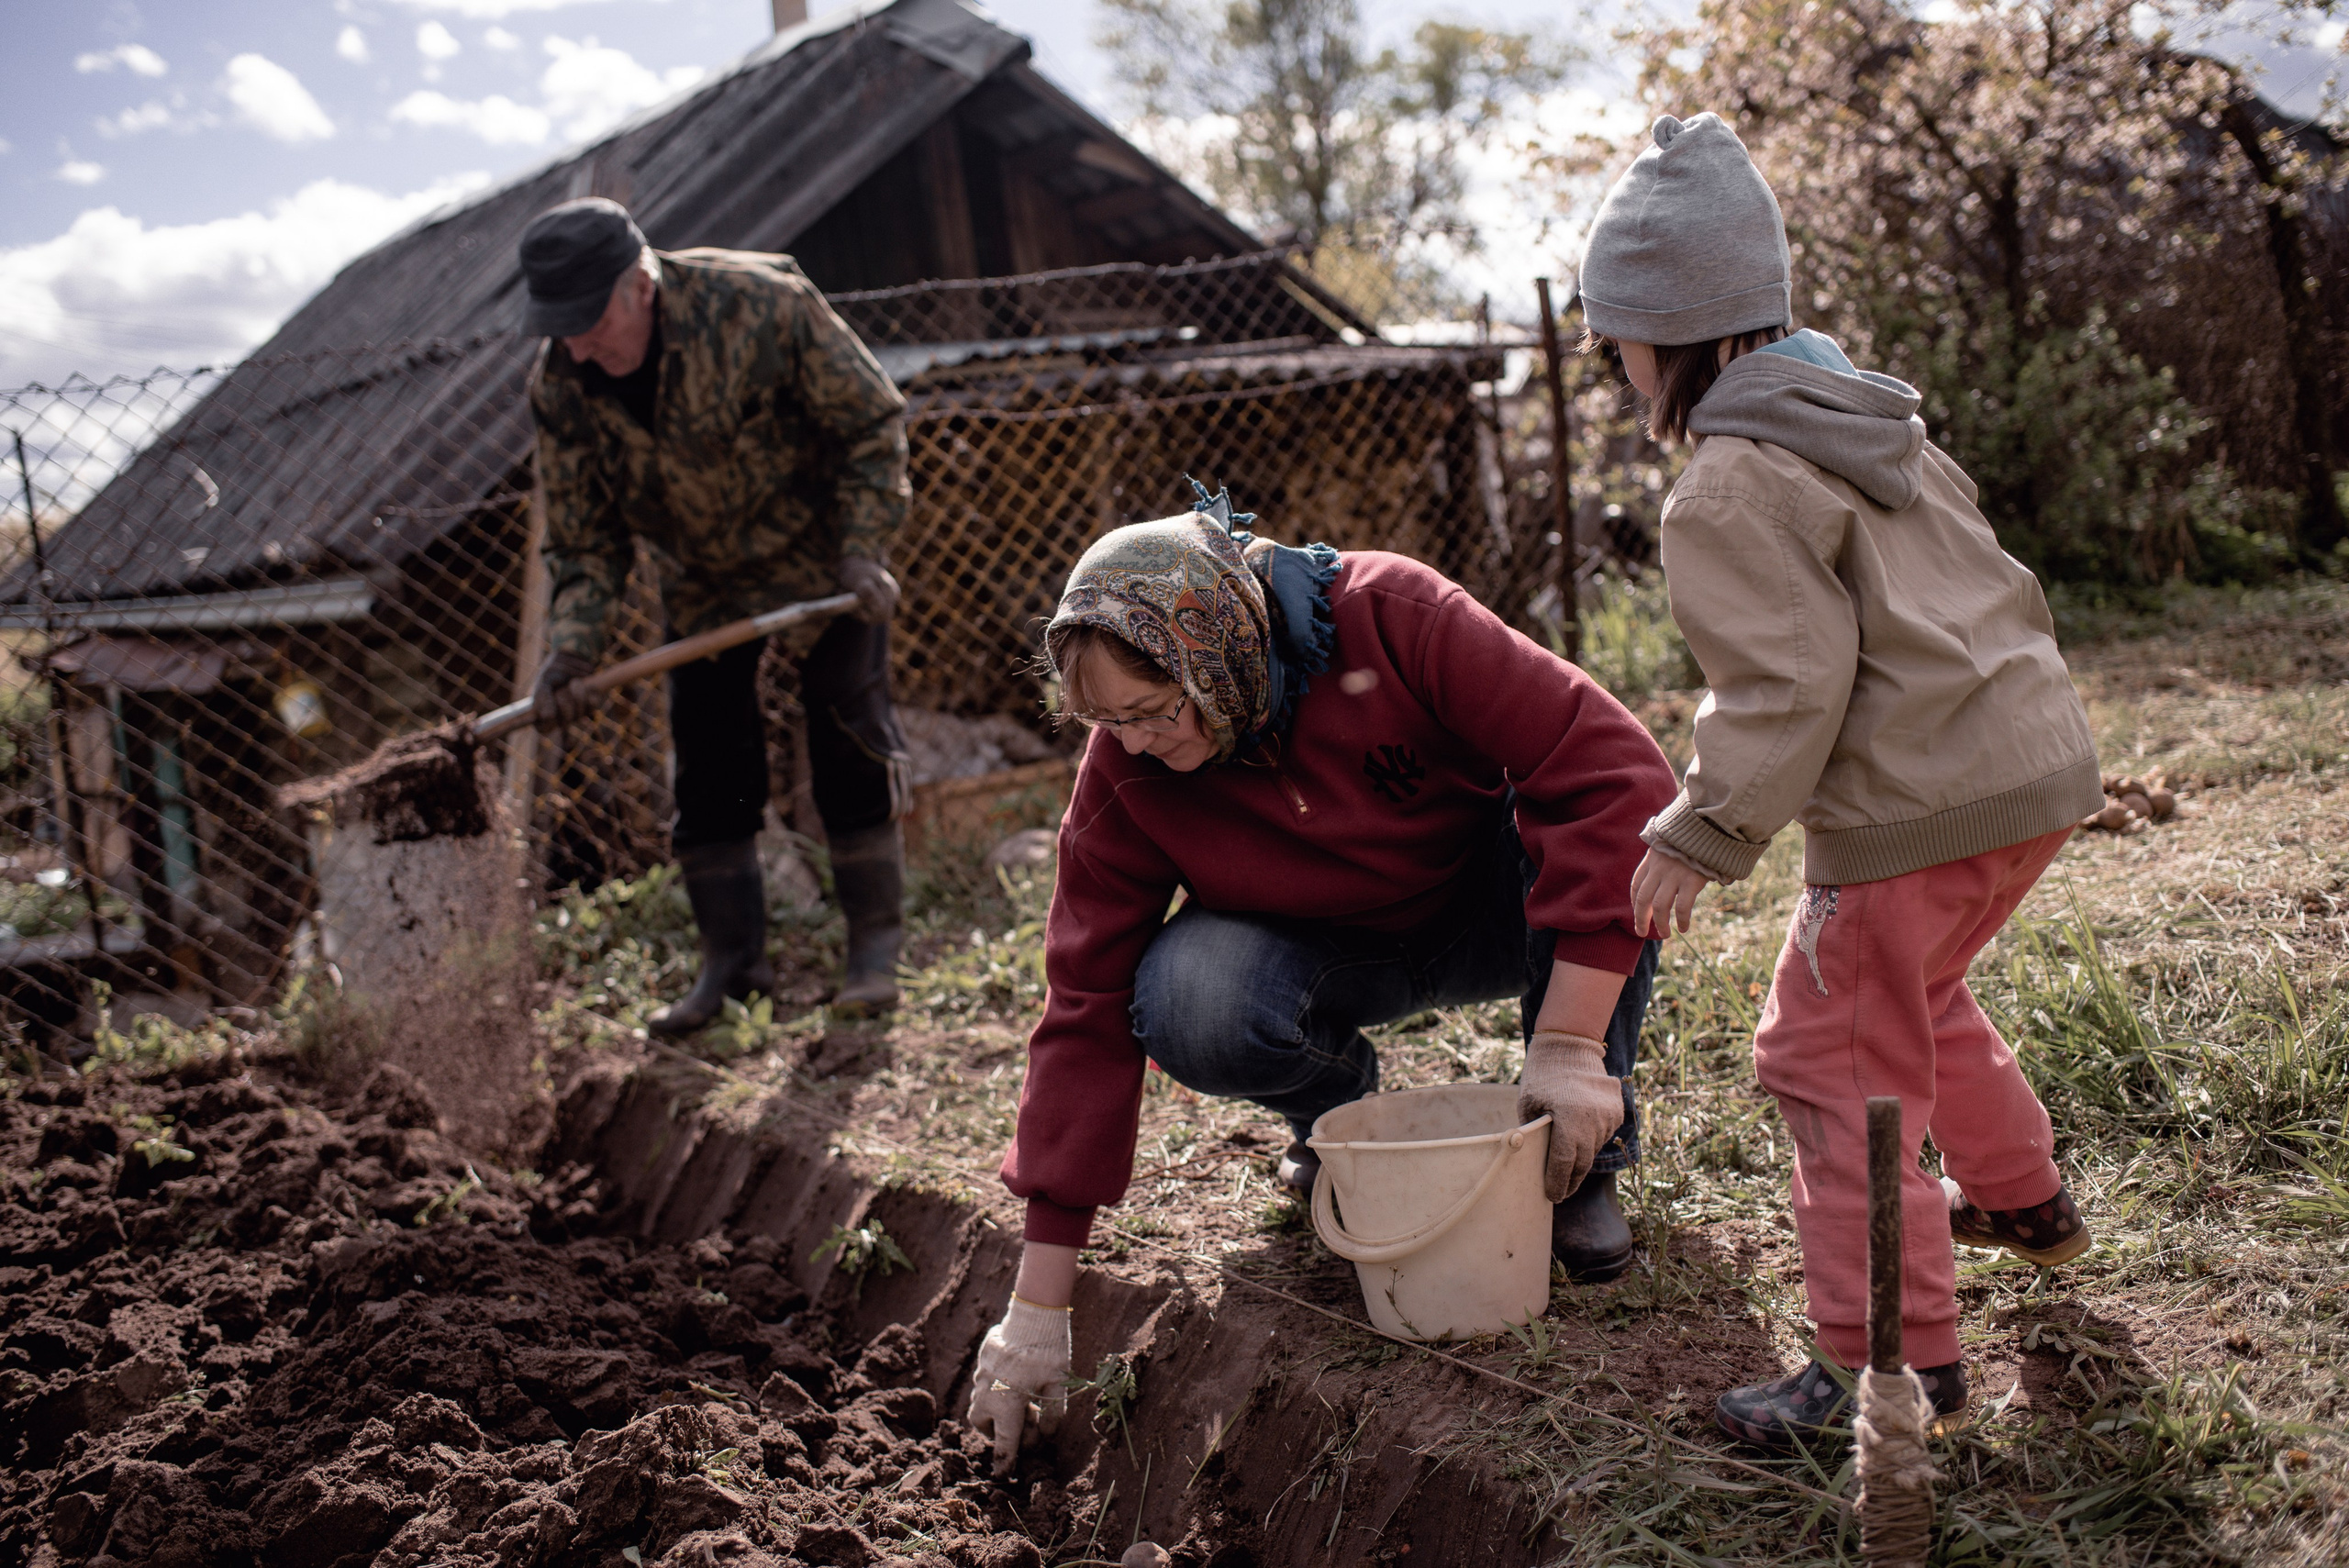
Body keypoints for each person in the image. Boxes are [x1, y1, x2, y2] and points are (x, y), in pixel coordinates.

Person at [962, 484, 1678, 1474]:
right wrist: (1037, 1309)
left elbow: (1615, 776)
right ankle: (1340, 1125)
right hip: (1329, 955)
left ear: (1214, 650)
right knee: (1185, 994)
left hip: (1494, 909)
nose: (1132, 743)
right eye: (1105, 722)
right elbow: (1083, 1000)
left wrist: (1568, 1042)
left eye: (1151, 712)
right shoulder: (1126, 768)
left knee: (1617, 846)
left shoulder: (1393, 615)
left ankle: (1583, 1156)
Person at [1575, 113, 2105, 1452]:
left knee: (1827, 1055)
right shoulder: (1873, 421)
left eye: (1618, 343)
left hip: (1910, 807)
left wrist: (1705, 828)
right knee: (1913, 997)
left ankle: (1891, 1359)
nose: (1618, 370)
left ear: (1674, 332)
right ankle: (2023, 1200)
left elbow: (1786, 686)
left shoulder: (1729, 485)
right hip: (2025, 769)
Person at [518, 197, 915, 1029]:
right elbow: (586, 538)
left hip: (823, 566)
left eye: (591, 320)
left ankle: (875, 950)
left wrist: (861, 545)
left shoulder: (761, 303)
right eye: (560, 327)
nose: (578, 344)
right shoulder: (562, 382)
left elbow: (870, 423)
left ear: (640, 284)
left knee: (848, 738)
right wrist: (573, 649)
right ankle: (733, 969)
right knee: (708, 769)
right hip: (701, 582)